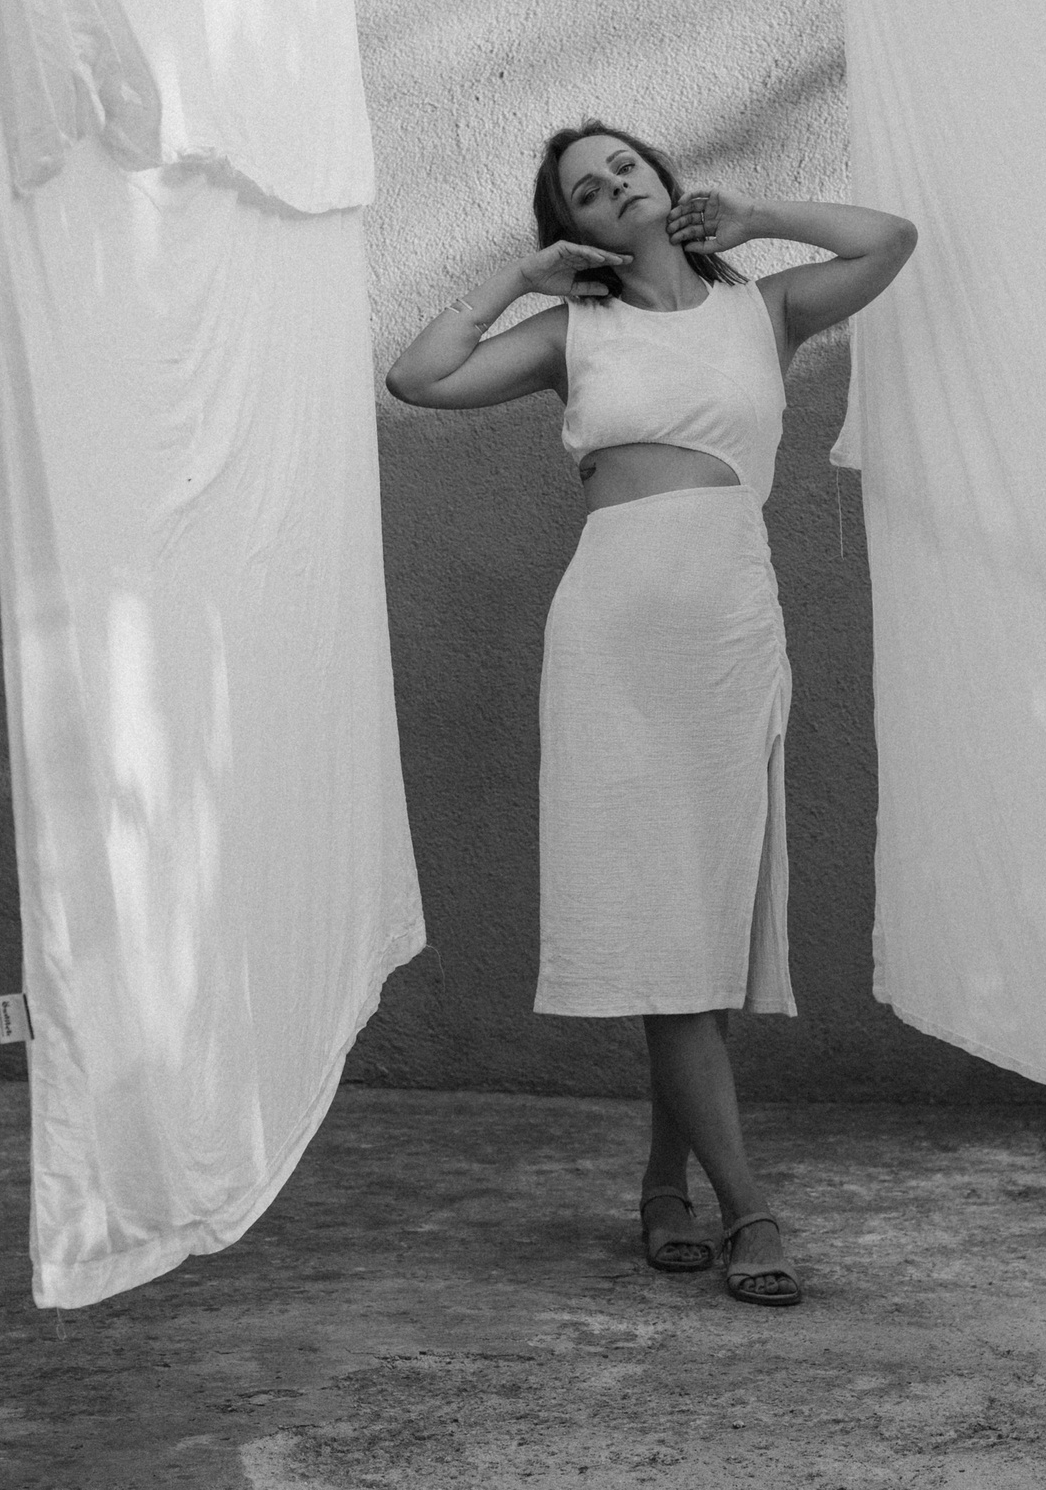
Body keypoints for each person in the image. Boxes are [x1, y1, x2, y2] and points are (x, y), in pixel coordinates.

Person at [386, 123, 916, 1308]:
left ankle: (663, 1183)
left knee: (702, 926)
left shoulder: (764, 311)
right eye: (585, 190)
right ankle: (751, 1210)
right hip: (614, 636)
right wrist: (518, 280)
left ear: (666, 180)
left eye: (625, 165)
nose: (613, 185)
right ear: (573, 227)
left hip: (729, 628)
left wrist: (759, 216)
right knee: (659, 923)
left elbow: (890, 241)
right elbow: (419, 379)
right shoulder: (572, 333)